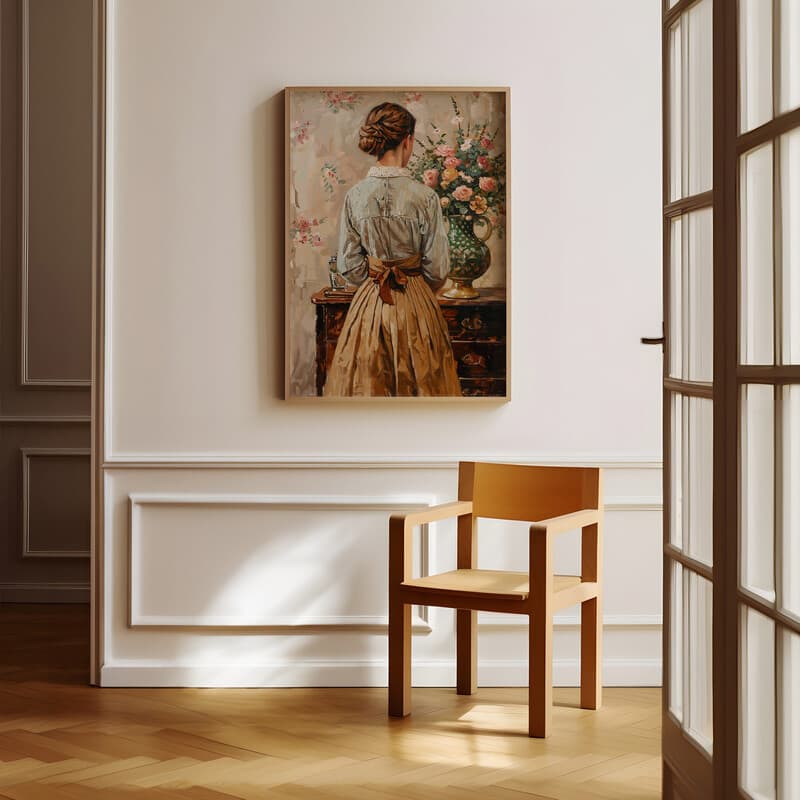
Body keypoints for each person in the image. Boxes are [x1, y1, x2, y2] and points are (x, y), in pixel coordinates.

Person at [323, 102, 462, 397]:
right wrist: (417, 288)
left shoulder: (355, 196)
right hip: (417, 304)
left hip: (370, 301)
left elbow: (349, 265)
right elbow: (438, 268)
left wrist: (374, 280)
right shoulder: (425, 197)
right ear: (408, 140)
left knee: (367, 383)